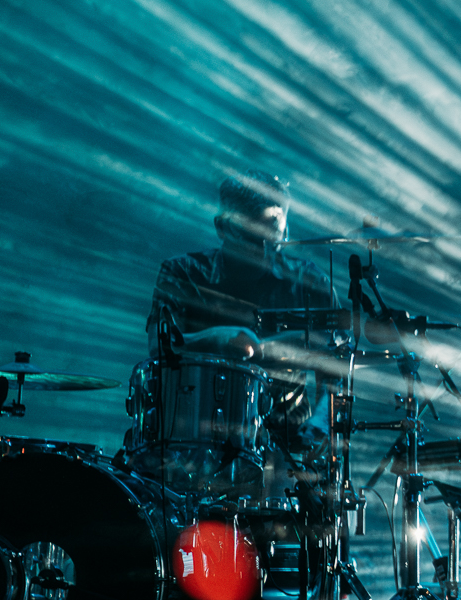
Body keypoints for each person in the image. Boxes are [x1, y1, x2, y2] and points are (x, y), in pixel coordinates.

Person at [142, 171, 337, 468]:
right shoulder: (183, 273)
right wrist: (219, 339)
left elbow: (337, 366)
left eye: (275, 238)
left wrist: (324, 422)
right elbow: (159, 344)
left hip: (289, 449)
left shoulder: (310, 281)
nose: (264, 250)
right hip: (196, 445)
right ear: (222, 227)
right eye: (251, 238)